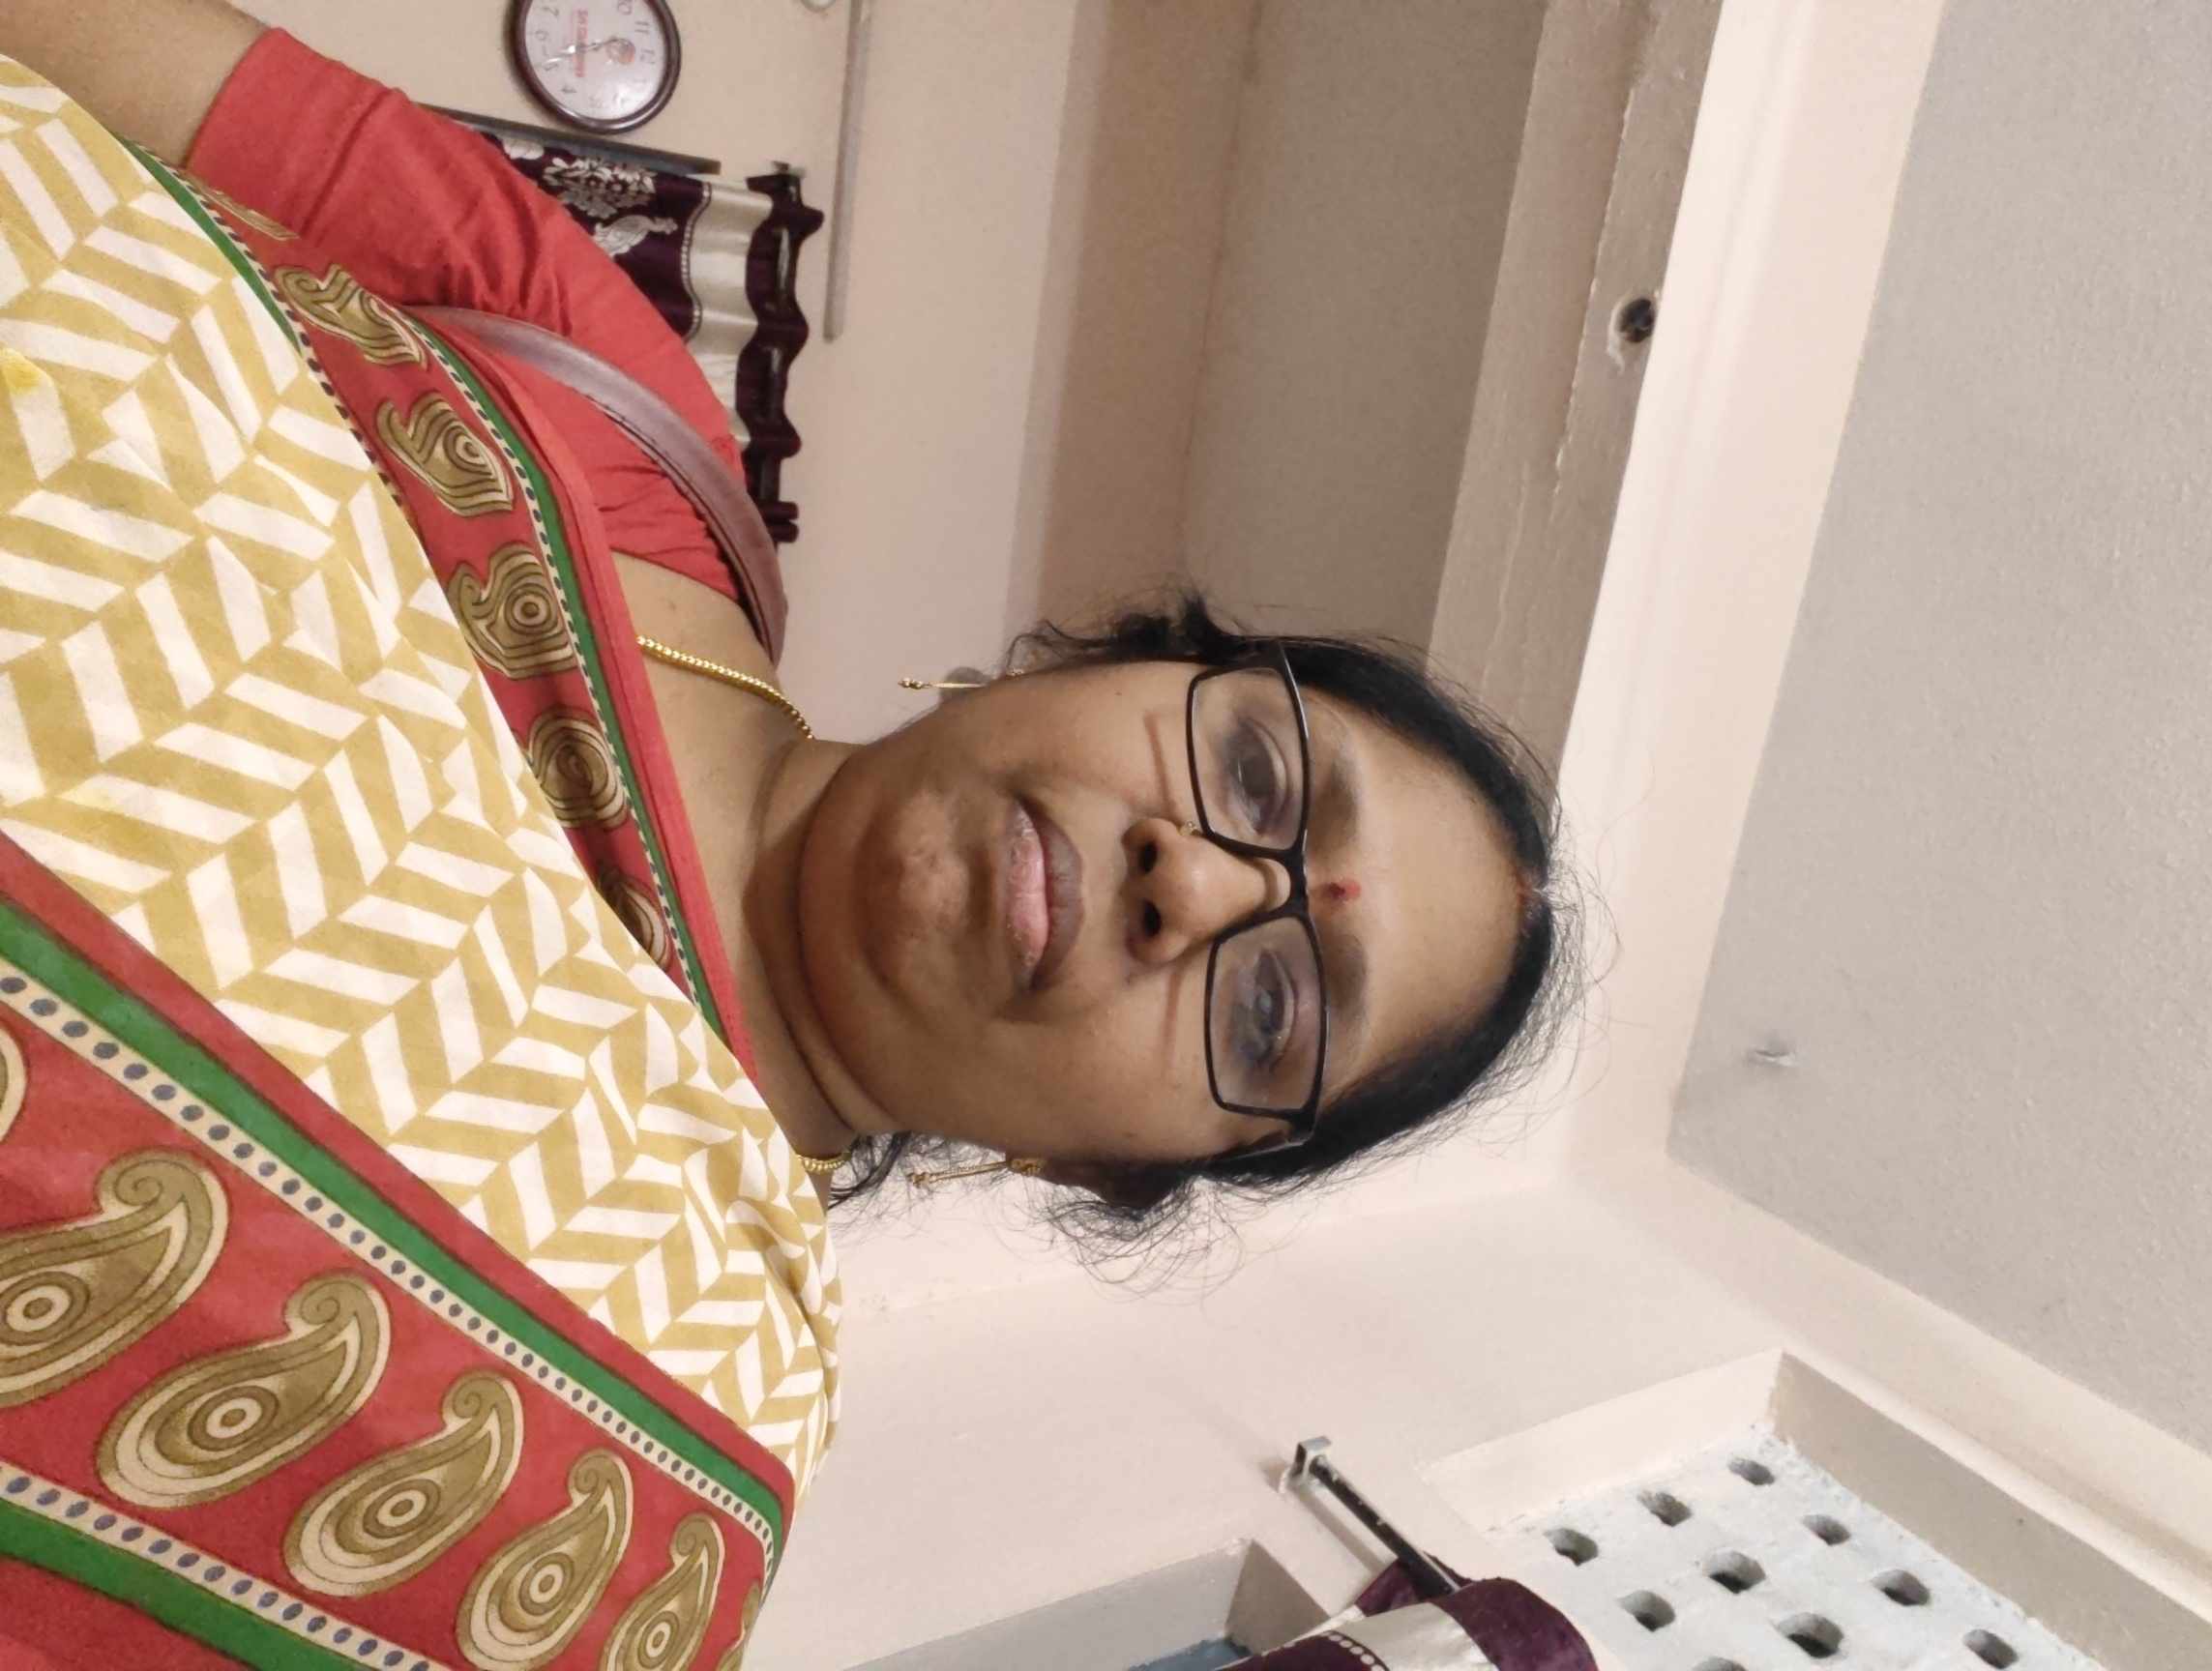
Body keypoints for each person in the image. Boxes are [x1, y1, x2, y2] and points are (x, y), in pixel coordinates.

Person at [0, 3, 1571, 1664]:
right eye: (1256, 775)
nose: (1193, 878)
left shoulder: (629, 1510)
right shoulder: (613, 408)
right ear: (1112, 661)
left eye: (1269, 1011)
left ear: (1114, 1168)